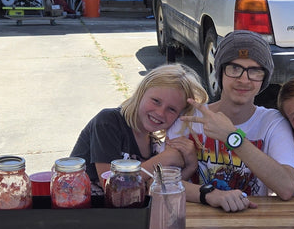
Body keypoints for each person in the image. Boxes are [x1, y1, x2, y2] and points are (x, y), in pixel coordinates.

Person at [170, 30, 294, 212]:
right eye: (235, 69)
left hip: (252, 226)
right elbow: (159, 180)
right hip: (193, 223)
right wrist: (208, 194)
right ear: (220, 72)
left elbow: (286, 187)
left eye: (255, 71)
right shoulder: (189, 118)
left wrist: (232, 137)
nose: (244, 79)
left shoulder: (272, 122)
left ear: (264, 79)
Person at [71, 63, 207, 184]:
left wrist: (190, 167)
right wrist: (164, 159)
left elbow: (156, 191)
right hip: (83, 210)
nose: (160, 113)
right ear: (141, 93)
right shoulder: (108, 122)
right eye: (156, 101)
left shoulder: (154, 143)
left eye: (171, 109)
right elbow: (112, 185)